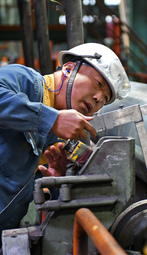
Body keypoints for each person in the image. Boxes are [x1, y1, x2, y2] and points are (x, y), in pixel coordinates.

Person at [0, 43, 130, 232]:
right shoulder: (24, 81)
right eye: (98, 84)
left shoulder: (59, 139)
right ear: (68, 69)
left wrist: (58, 181)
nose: (97, 99)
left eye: (104, 99)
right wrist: (51, 120)